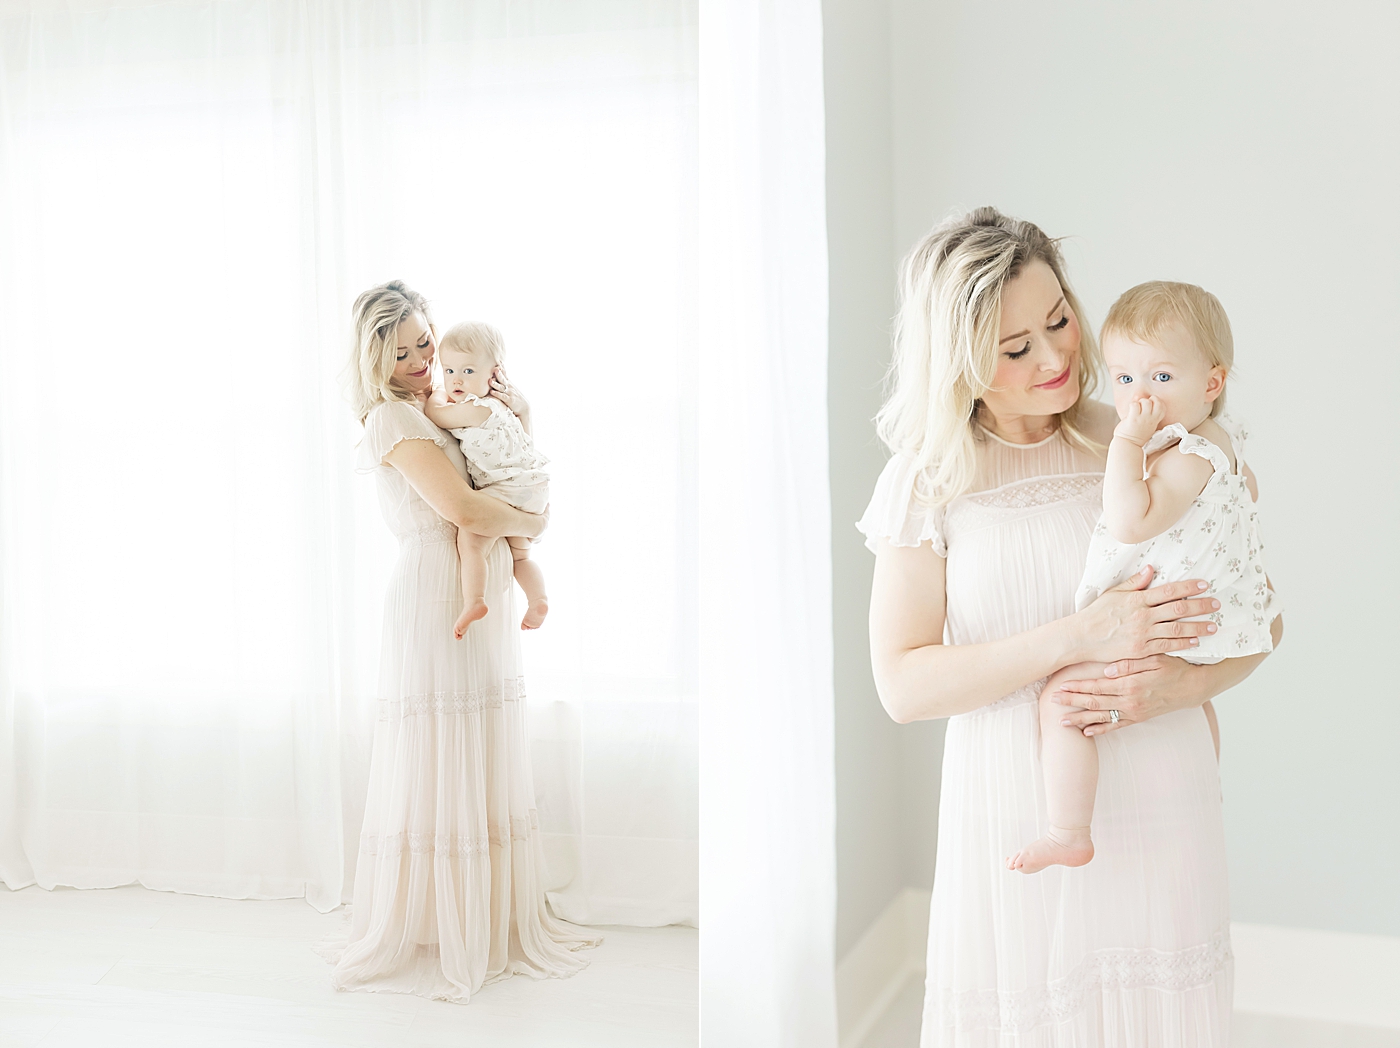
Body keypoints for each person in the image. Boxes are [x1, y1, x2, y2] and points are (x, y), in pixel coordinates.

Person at [858, 210, 1282, 1045]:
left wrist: (1187, 685)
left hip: (1162, 785)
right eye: (1016, 347)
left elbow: (1260, 618)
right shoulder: (929, 479)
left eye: (1059, 319)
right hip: (1016, 803)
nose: (1055, 358)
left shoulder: (1147, 436)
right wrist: (1078, 636)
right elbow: (902, 686)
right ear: (960, 356)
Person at [327, 280, 596, 1003]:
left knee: (476, 749)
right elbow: (462, 506)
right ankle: (438, 917)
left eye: (424, 341)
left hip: (476, 585)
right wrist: (534, 527)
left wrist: (524, 416)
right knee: (438, 753)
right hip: (434, 593)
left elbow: (502, 466)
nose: (420, 359)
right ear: (375, 357)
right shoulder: (391, 420)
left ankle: (478, 912)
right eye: (403, 350)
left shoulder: (441, 402)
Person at [1008, 281, 1279, 875]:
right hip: (1203, 621)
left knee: (1060, 701)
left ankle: (1067, 831)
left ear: (1212, 382)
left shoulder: (1183, 453)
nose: (1138, 398)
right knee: (1195, 707)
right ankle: (1205, 793)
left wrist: (1126, 446)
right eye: (1124, 379)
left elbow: (1131, 522)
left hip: (1165, 622)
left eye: (1160, 378)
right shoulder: (1224, 454)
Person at [424, 321, 550, 637]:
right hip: (533, 488)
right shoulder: (505, 408)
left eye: (468, 371)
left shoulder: (476, 410)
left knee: (471, 543)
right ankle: (538, 599)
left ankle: (474, 600)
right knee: (520, 554)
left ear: (494, 374)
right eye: (448, 371)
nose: (455, 380)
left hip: (506, 489)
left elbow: (437, 414)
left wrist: (437, 396)